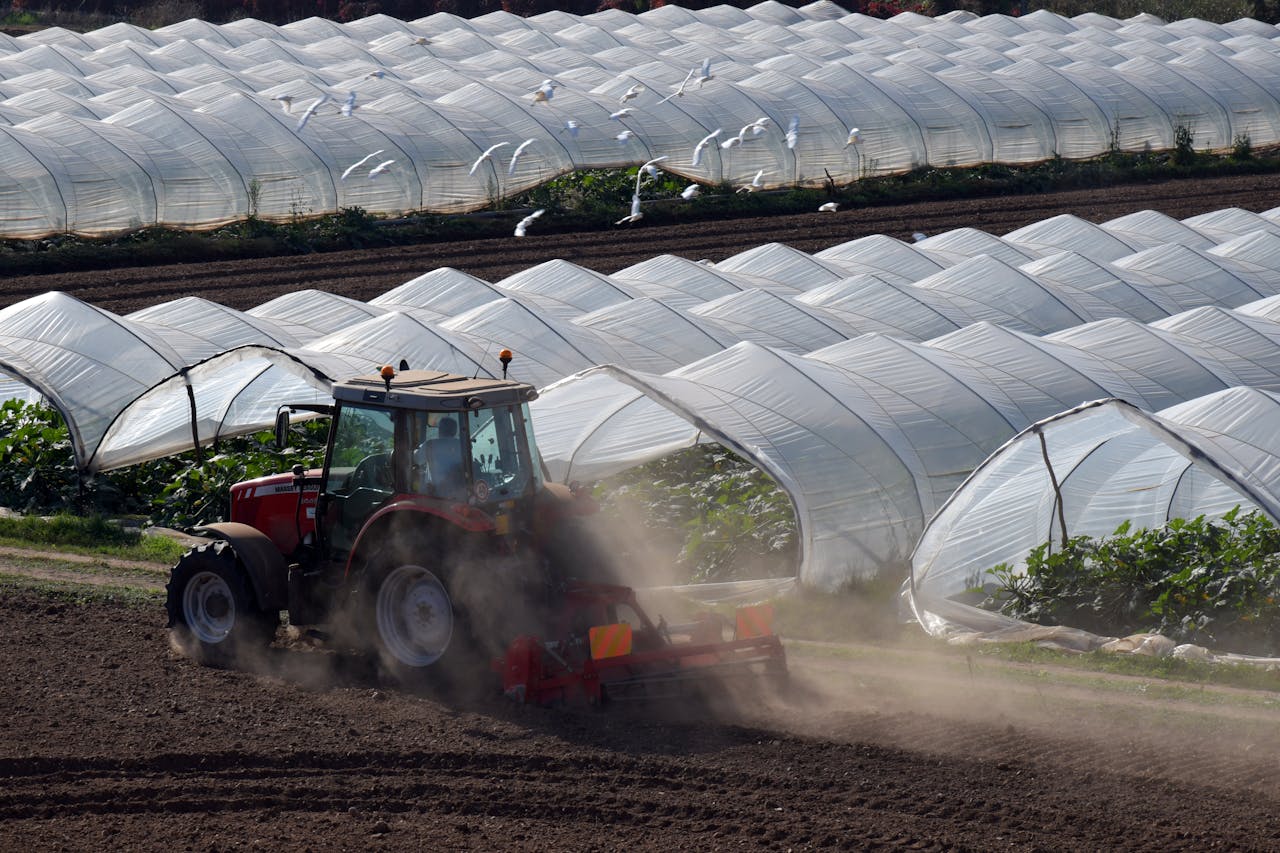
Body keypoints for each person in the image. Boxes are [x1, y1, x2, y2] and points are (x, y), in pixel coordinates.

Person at [417, 416, 465, 496]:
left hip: (435, 495)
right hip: (459, 493)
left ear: (440, 430)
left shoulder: (430, 444)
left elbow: (417, 460)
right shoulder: (462, 445)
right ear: (455, 431)